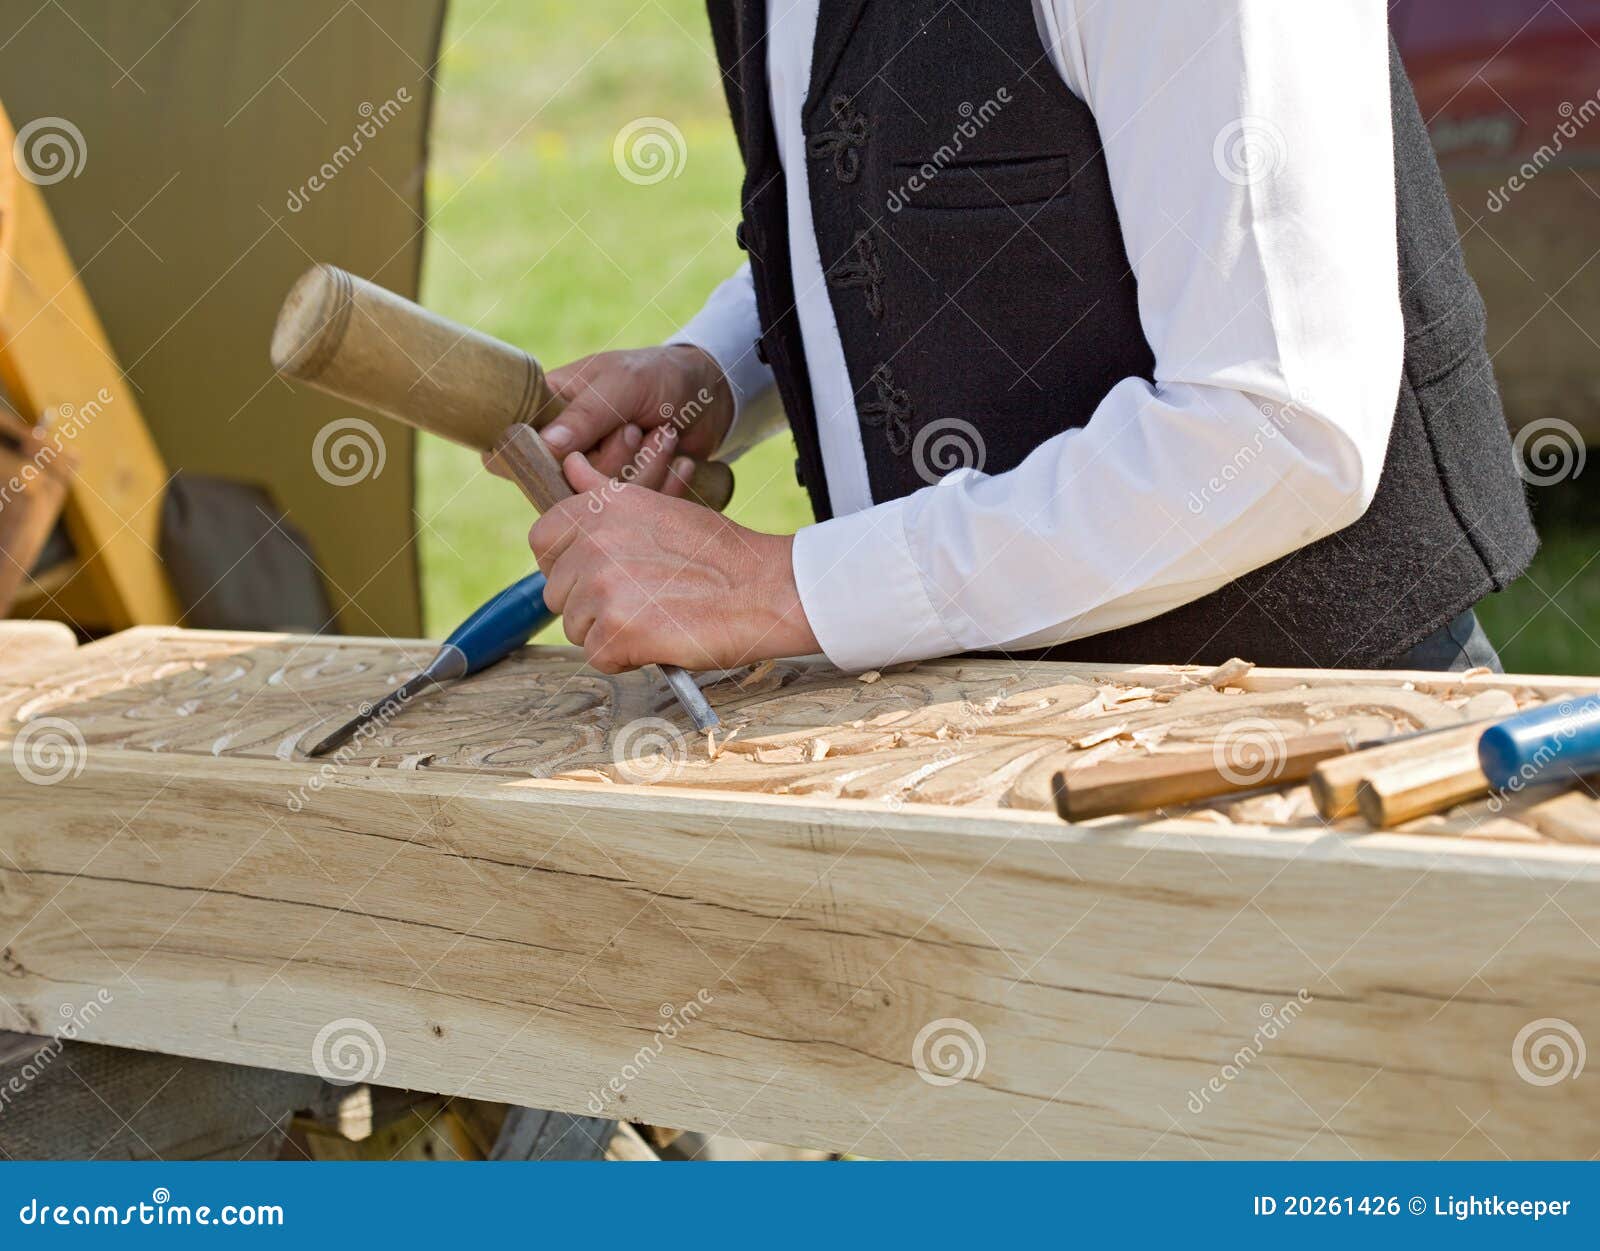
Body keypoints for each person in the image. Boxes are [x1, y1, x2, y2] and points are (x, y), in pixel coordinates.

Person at [522, 1, 1533, 678]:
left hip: (1302, 765)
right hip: (958, 764)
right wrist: (717, 375)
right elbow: (886, 200)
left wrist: (780, 587)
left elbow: (1273, 429)